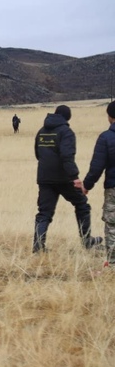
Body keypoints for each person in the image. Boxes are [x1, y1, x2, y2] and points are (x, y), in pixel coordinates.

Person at [33, 104, 102, 252]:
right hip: (64, 179)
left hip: (44, 178)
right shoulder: (66, 132)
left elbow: (37, 155)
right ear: (67, 118)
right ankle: (87, 241)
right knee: (82, 205)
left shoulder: (41, 132)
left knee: (44, 212)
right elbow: (67, 156)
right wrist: (75, 177)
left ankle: (38, 246)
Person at [82, 101, 115, 266]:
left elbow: (96, 167)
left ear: (110, 117)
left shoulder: (106, 138)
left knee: (112, 224)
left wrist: (86, 185)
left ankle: (114, 262)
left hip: (113, 188)